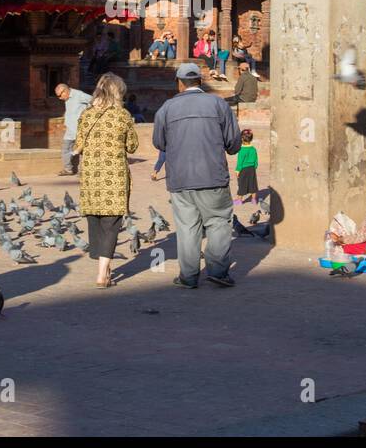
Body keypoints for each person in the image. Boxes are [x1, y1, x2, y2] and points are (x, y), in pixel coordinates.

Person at [152, 62, 241, 288]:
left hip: (180, 178)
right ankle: (218, 271)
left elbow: (159, 143)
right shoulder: (218, 104)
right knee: (219, 222)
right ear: (200, 82)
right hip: (213, 175)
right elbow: (233, 143)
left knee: (187, 227)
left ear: (179, 83)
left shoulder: (167, 108)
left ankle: (189, 276)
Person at [73, 73, 139, 288]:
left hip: (92, 174)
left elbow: (79, 142)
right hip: (114, 175)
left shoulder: (86, 114)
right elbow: (132, 146)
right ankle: (103, 273)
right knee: (111, 224)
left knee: (96, 221)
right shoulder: (123, 115)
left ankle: (102, 265)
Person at [55, 82, 93, 176]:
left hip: (81, 129)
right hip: (70, 129)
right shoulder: (67, 98)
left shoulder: (79, 95)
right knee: (65, 149)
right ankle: (68, 169)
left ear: (65, 91)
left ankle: (83, 171)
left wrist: (88, 113)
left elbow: (94, 100)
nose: (59, 98)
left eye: (60, 95)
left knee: (83, 151)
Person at [233, 129, 258, 205]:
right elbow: (256, 160)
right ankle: (254, 200)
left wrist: (237, 170)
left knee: (242, 184)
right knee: (253, 185)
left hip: (243, 169)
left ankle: (239, 200)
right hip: (252, 169)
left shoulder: (242, 150)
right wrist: (254, 167)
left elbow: (240, 162)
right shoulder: (253, 149)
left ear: (242, 139)